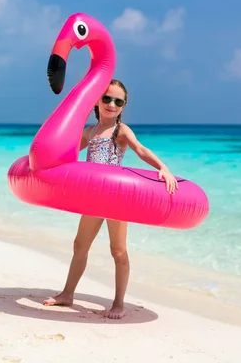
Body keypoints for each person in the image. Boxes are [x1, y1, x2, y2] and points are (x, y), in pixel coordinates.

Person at [42, 79, 179, 319]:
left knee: (117, 251)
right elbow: (68, 153)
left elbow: (141, 150)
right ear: (97, 100)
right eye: (107, 98)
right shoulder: (89, 131)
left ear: (124, 106)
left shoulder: (121, 131)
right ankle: (67, 294)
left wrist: (163, 168)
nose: (111, 104)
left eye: (118, 101)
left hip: (116, 199)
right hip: (93, 198)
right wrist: (46, 163)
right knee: (79, 245)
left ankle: (118, 303)